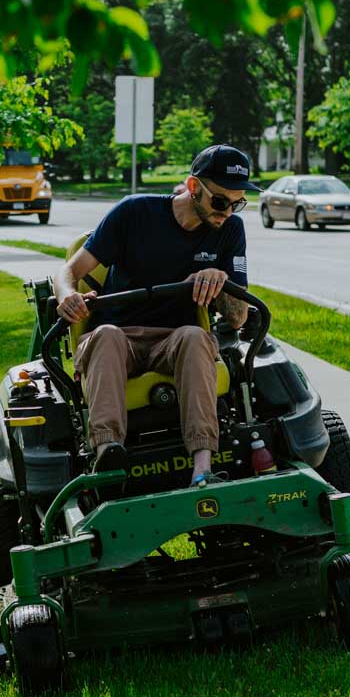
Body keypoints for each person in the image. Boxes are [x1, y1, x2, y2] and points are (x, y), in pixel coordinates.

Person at [53, 143, 257, 487]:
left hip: (176, 340)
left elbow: (237, 319)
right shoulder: (134, 213)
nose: (227, 211)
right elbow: (68, 271)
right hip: (119, 336)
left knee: (195, 336)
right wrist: (68, 296)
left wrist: (221, 283)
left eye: (237, 203)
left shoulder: (230, 231)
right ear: (194, 188)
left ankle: (203, 469)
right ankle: (107, 453)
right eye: (220, 201)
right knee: (106, 335)